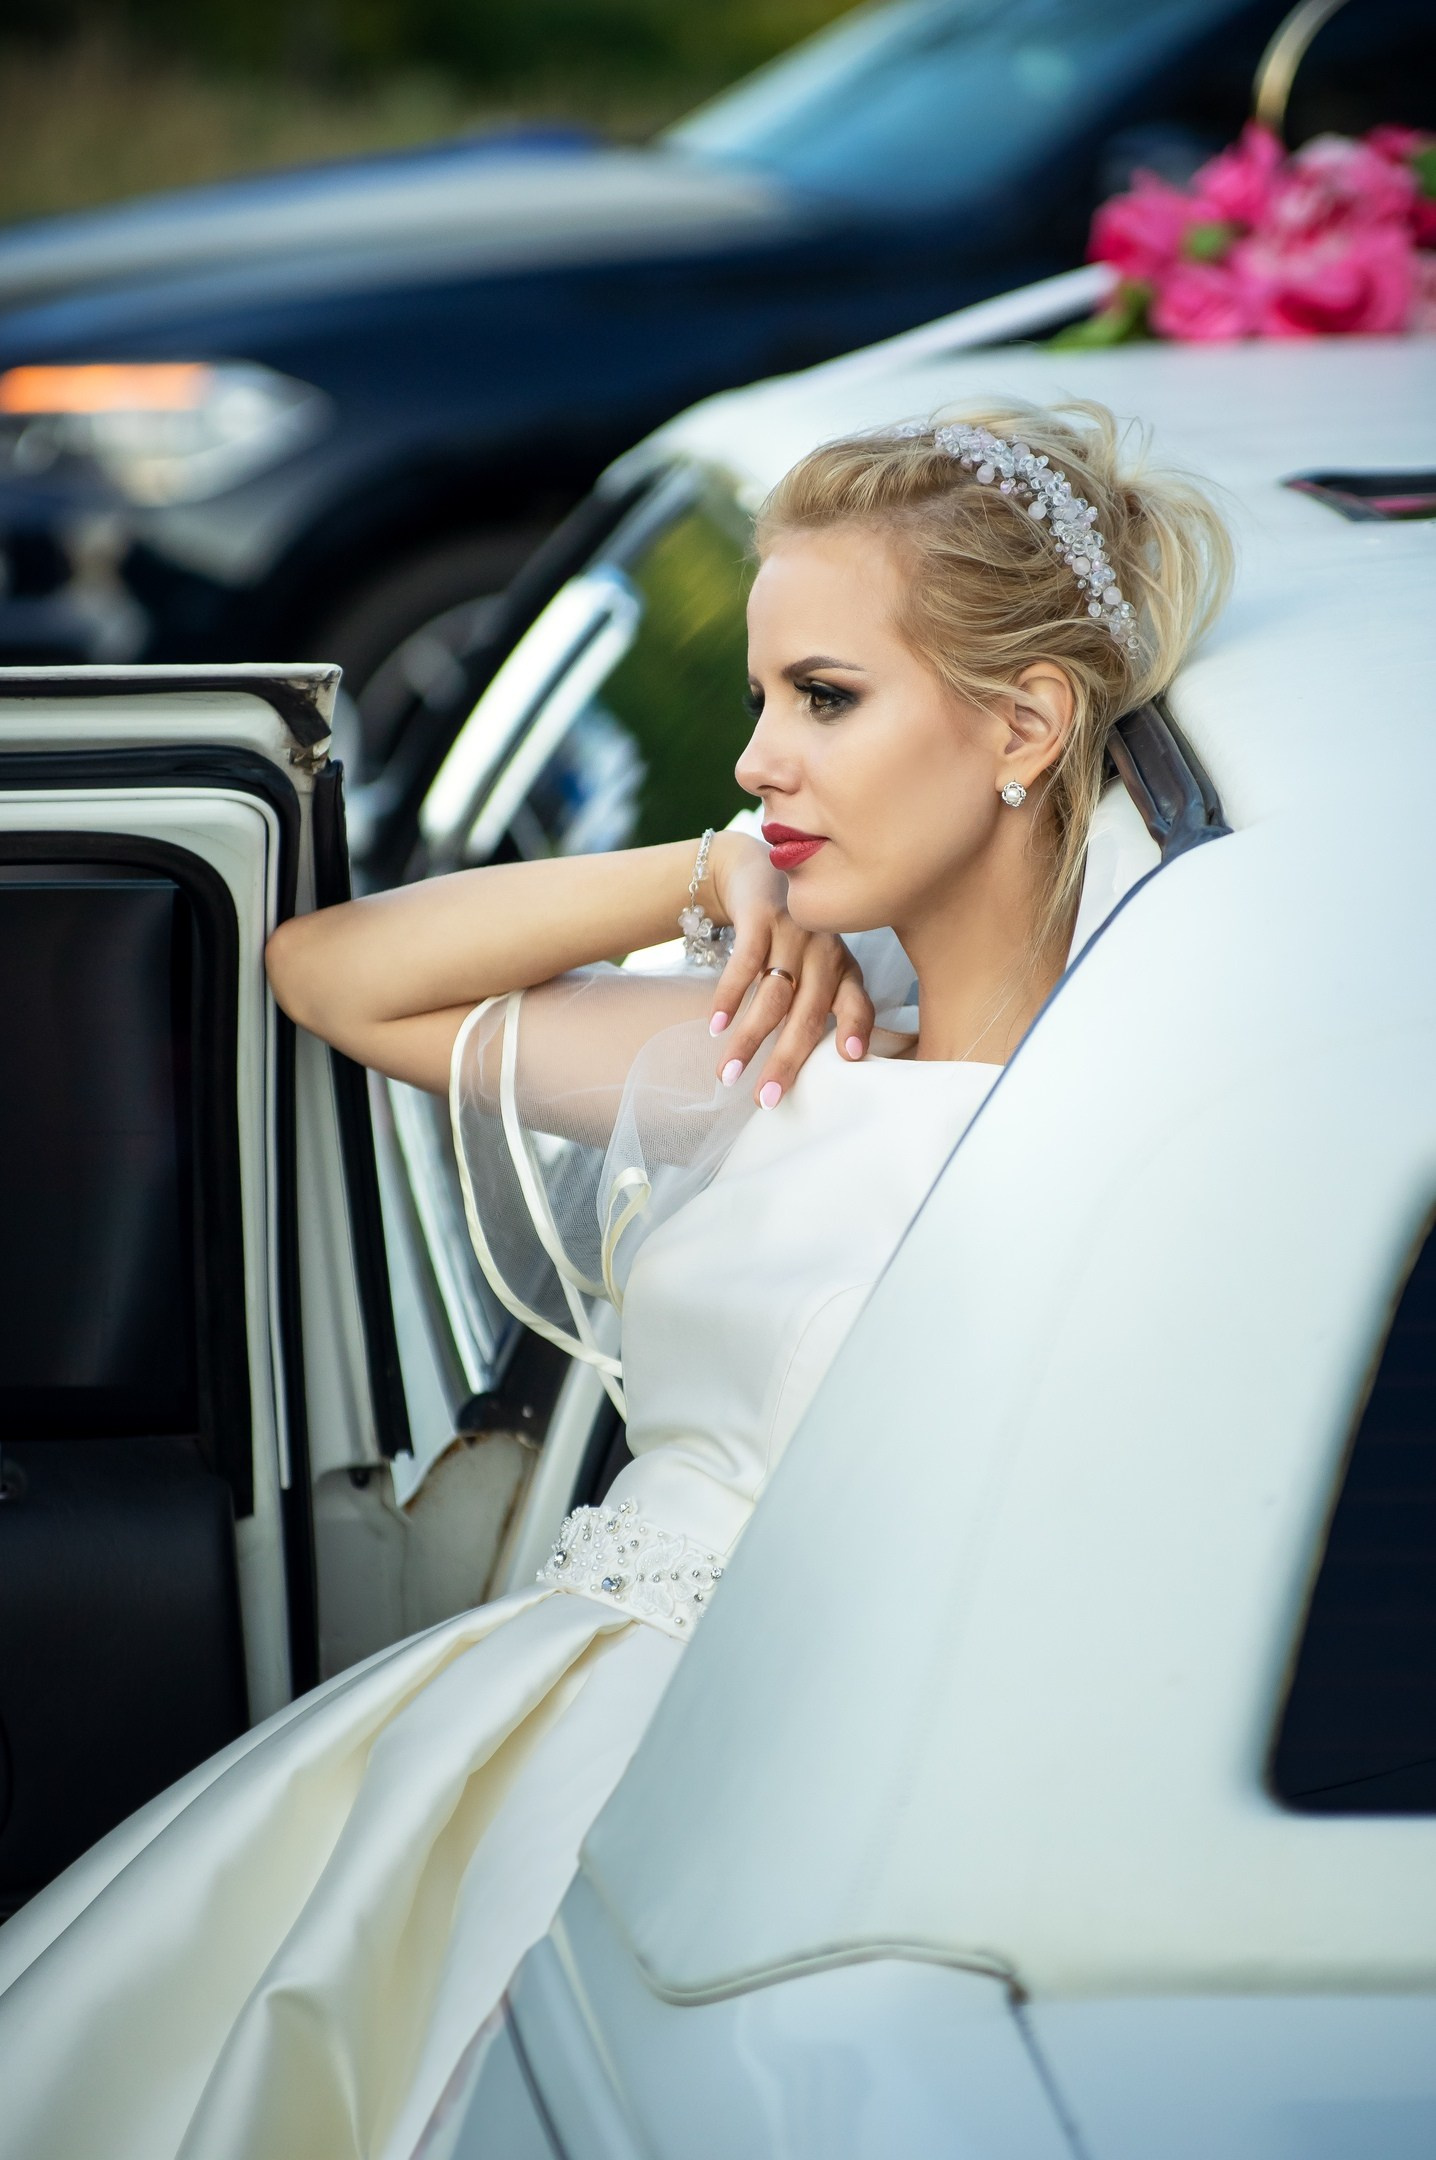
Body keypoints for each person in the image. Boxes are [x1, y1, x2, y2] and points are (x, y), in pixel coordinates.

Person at [0, 401, 1230, 2160]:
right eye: (760, 699)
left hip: (780, 1803)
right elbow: (329, 974)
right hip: (534, 1731)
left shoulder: (1121, 1138)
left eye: (824, 698)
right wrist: (694, 874)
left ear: (1024, 726)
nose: (758, 760)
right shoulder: (789, 1044)